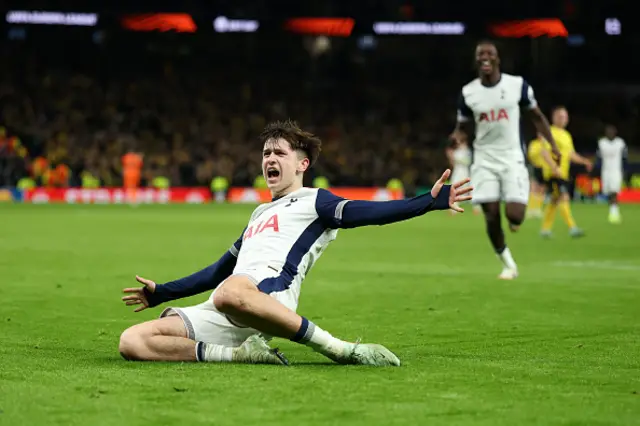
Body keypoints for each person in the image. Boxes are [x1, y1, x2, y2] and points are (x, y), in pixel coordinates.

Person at [118, 120, 473, 366]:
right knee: (132, 341)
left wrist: (429, 200)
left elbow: (372, 212)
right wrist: (161, 293)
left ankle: (340, 350)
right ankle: (240, 355)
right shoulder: (258, 214)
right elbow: (217, 271)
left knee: (229, 290)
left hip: (267, 296)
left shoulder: (316, 201)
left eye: (279, 153)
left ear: (302, 164)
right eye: (266, 154)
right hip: (226, 302)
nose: (269, 159)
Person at [450, 40, 560, 280]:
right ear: (476, 60)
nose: (485, 57)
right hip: (484, 159)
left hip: (512, 158)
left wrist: (552, 145)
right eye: (481, 54)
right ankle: (508, 264)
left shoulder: (517, 86)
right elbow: (463, 126)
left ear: (498, 59)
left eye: (490, 53)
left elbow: (537, 116)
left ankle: (513, 220)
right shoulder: (468, 93)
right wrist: (456, 136)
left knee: (515, 215)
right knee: (490, 213)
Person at [539, 106, 593, 238]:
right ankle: (572, 227)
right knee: (564, 197)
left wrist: (584, 161)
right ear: (554, 118)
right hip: (553, 173)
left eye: (565, 117)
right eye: (561, 116)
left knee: (554, 200)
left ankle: (545, 230)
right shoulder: (549, 132)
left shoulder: (566, 135)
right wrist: (554, 167)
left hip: (562, 172)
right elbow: (544, 152)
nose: (564, 119)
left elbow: (570, 154)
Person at [596, 124, 627, 224]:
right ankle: (612, 210)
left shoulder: (620, 143)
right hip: (605, 171)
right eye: (608, 131)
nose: (610, 133)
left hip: (616, 170)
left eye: (611, 131)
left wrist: (624, 170)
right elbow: (599, 157)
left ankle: (614, 212)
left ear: (615, 133)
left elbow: (624, 158)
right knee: (609, 192)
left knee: (614, 191)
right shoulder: (602, 143)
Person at [445, 134, 480, 215]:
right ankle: (453, 210)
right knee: (453, 189)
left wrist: (453, 157)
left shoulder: (467, 151)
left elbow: (467, 162)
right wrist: (450, 156)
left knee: (469, 190)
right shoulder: (456, 151)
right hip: (457, 172)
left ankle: (477, 207)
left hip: (464, 172)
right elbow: (453, 164)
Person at [526, 133, 547, 218]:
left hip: (545, 168)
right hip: (536, 167)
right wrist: (541, 149)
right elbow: (531, 155)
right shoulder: (534, 144)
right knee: (533, 188)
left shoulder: (547, 144)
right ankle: (531, 209)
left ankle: (538, 209)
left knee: (542, 190)